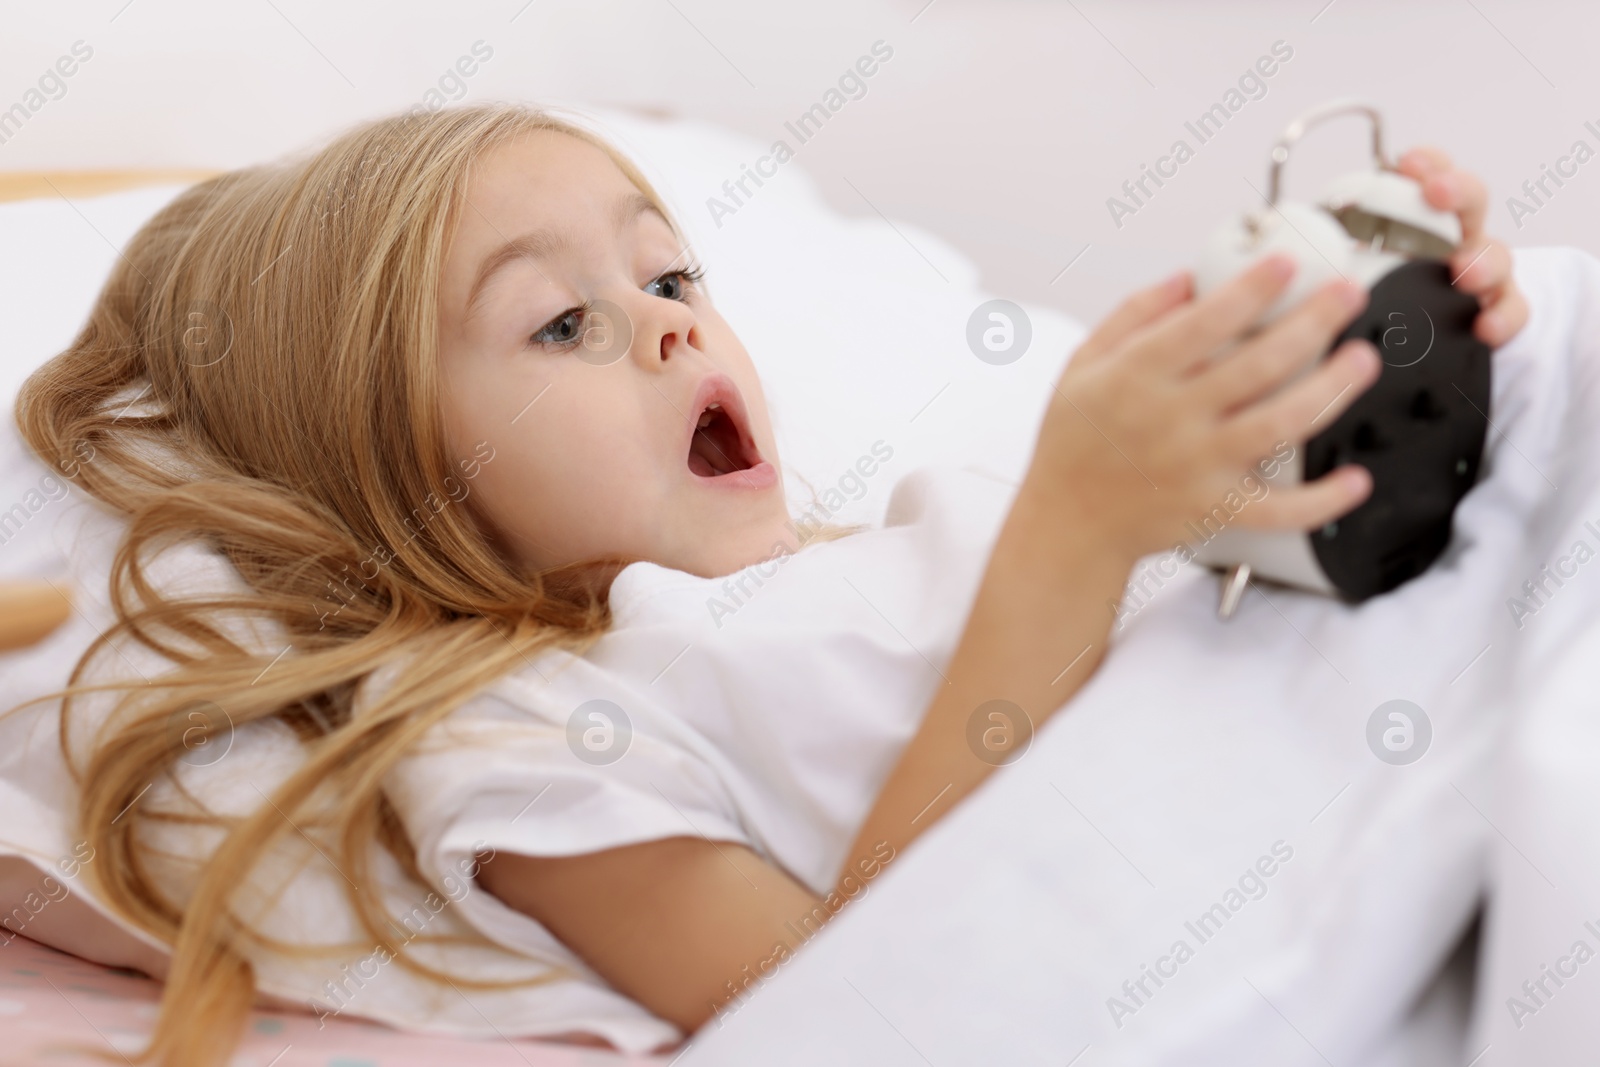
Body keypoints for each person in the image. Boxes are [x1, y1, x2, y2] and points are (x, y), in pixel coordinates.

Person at [12, 103, 1525, 1063]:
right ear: (387, 472)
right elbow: (842, 1012)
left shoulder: (854, 553)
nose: (673, 329)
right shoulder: (506, 741)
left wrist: (1383, 343)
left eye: (670, 280)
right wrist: (1073, 530)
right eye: (560, 325)